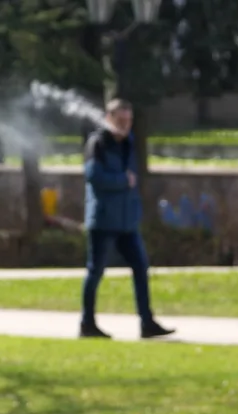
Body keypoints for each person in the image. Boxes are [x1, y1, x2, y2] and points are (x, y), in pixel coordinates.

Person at [79, 99, 174, 341]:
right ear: (109, 118)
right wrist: (123, 180)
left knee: (141, 267)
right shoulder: (98, 143)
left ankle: (147, 322)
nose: (125, 125)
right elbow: (93, 176)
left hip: (126, 222)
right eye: (120, 120)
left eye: (128, 120)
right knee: (96, 271)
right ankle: (87, 324)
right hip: (103, 220)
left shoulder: (128, 144)